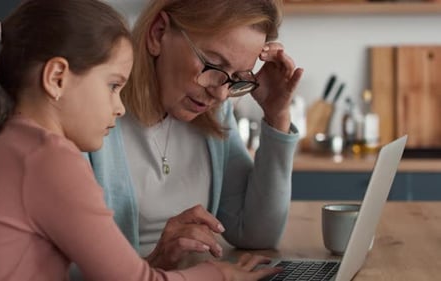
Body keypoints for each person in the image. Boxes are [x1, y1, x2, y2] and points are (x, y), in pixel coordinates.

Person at [0, 0, 281, 280]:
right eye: (113, 86)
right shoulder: (48, 158)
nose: (119, 107)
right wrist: (223, 275)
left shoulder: (19, 145)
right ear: (57, 78)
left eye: (236, 79)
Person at [88, 0, 304, 271]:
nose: (221, 93)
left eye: (237, 77)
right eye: (213, 64)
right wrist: (155, 264)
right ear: (158, 33)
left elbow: (254, 232)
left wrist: (277, 116)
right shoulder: (92, 118)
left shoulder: (214, 115)